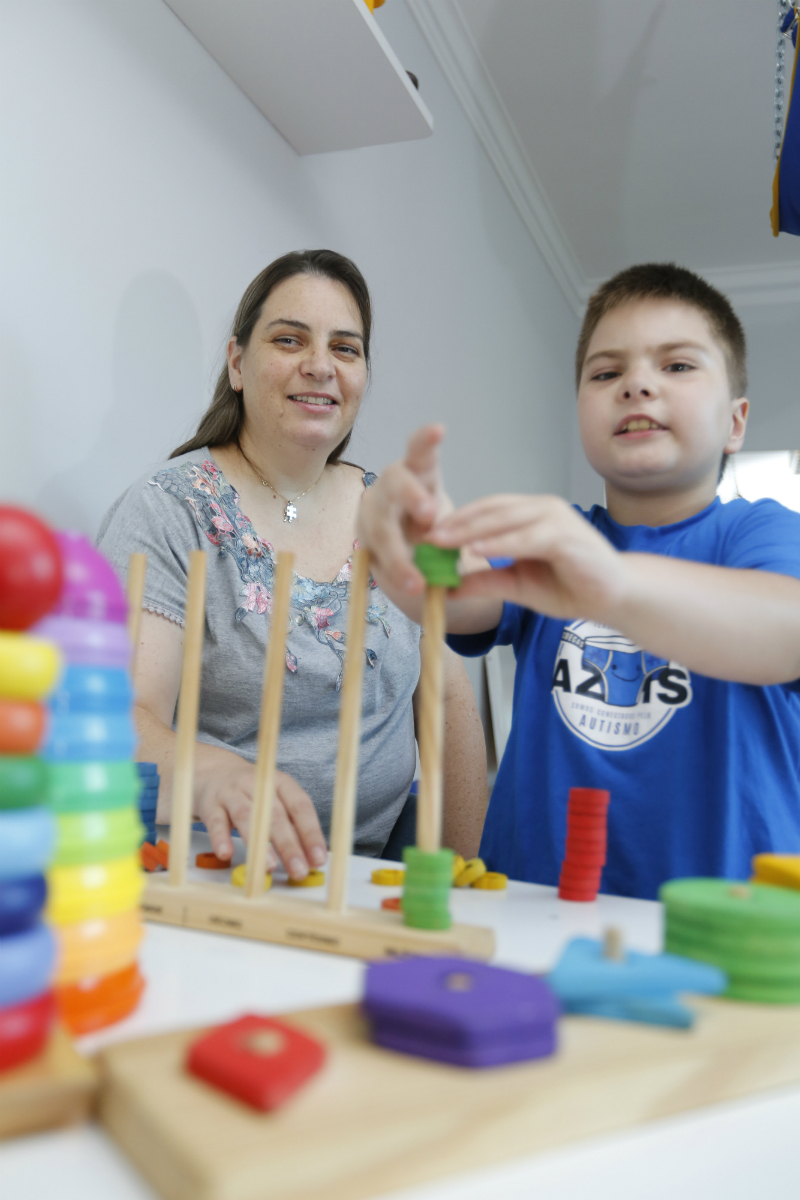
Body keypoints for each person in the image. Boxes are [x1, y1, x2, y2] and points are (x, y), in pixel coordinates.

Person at [357, 262, 800, 900]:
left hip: (721, 932)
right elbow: (450, 593)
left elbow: (782, 630)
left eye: (676, 365)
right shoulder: (558, 534)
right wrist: (410, 547)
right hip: (530, 914)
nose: (637, 384)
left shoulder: (764, 534)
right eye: (606, 372)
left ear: (736, 421)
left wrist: (610, 584)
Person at [98, 250, 487, 879]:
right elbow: (123, 720)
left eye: (346, 348)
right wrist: (214, 772)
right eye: (289, 339)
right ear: (237, 364)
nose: (320, 367)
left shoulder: (402, 511)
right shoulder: (167, 511)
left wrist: (460, 879)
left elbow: (448, 705)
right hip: (210, 878)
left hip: (365, 885)